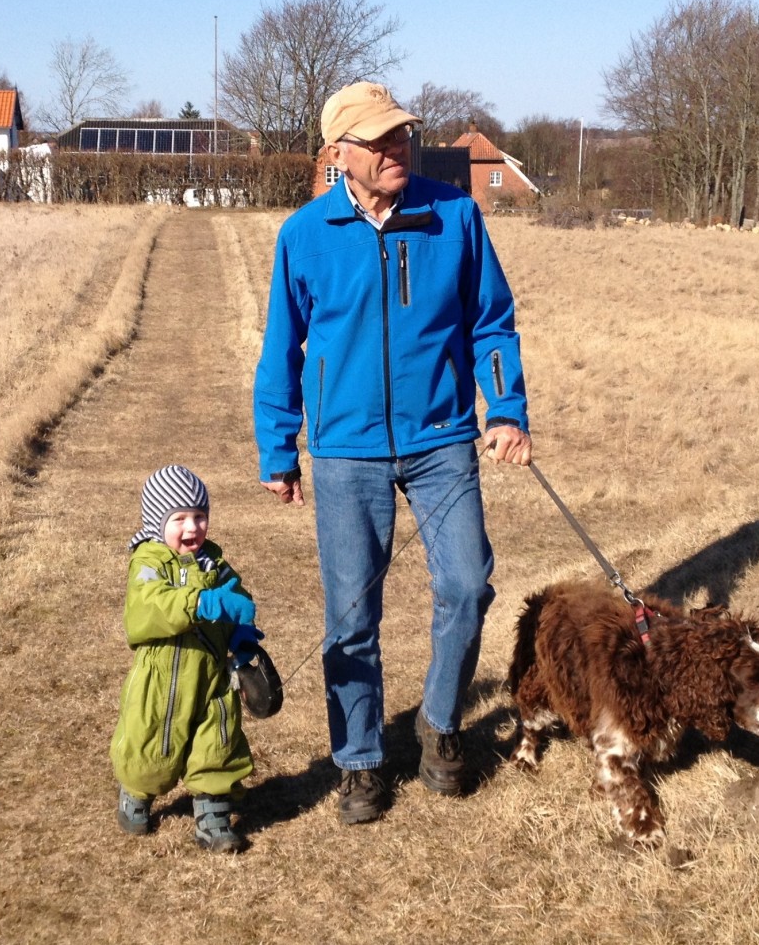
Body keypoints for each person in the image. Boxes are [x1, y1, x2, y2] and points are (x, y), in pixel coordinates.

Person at [253, 81, 532, 825]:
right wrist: (278, 447)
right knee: (351, 618)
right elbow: (280, 350)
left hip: (442, 440)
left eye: (401, 134)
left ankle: (439, 726)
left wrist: (503, 410)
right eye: (377, 140)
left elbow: (493, 325)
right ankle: (360, 763)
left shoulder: (456, 217)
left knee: (468, 587)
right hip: (346, 452)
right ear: (340, 153)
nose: (396, 148)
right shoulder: (304, 237)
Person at [110, 464, 263, 853]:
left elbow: (238, 598)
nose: (191, 527)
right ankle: (137, 792)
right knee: (149, 743)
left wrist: (241, 633)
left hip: (210, 675)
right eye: (178, 519)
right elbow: (149, 608)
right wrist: (199, 602)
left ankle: (212, 815)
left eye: (199, 517)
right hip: (160, 679)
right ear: (157, 521)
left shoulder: (215, 563)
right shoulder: (148, 564)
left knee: (218, 741)